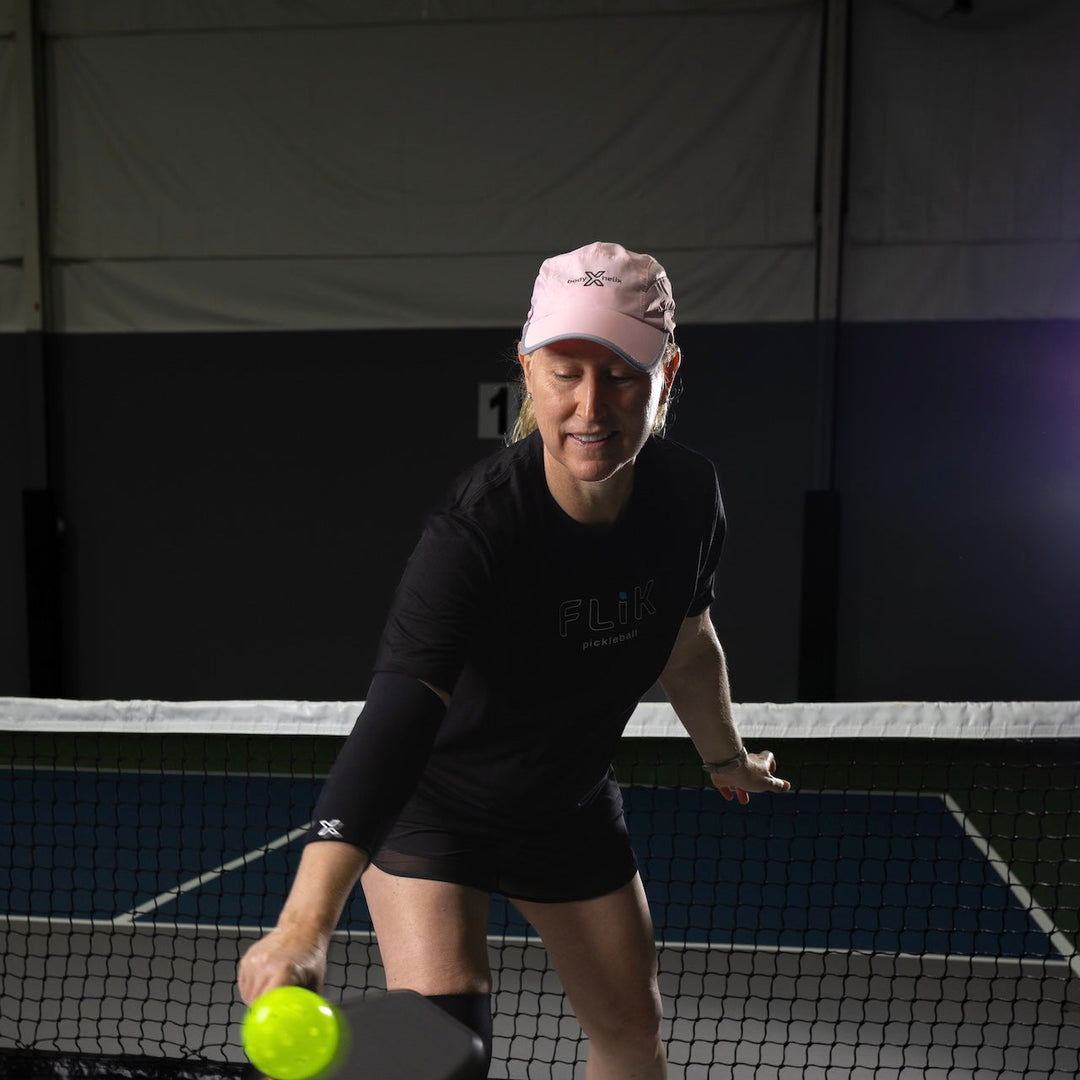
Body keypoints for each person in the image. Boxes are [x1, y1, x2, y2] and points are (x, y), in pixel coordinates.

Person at [238, 240, 790, 1079]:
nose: (591, 406)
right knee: (449, 1052)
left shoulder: (687, 496)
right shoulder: (476, 531)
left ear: (667, 372)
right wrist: (304, 925)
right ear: (528, 370)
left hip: (565, 804)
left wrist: (726, 758)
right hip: (440, 807)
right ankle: (358, 1060)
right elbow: (398, 714)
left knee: (632, 1033)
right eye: (565, 371)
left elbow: (687, 643)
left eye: (622, 374)